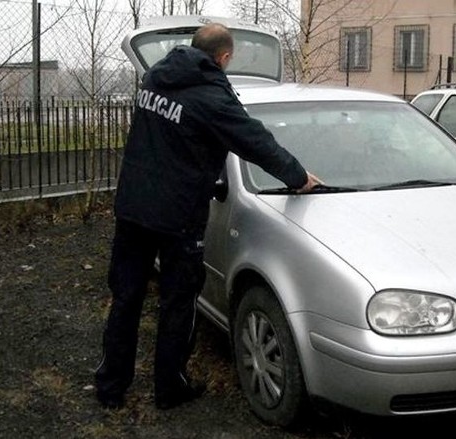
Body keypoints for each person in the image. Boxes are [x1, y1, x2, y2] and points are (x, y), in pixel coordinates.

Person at [95, 23, 320, 411]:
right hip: (177, 215)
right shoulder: (212, 96)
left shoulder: (155, 79)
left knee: (126, 298)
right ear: (224, 58)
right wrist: (298, 177)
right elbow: (255, 141)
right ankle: (169, 388)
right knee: (178, 301)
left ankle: (111, 387)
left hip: (133, 208)